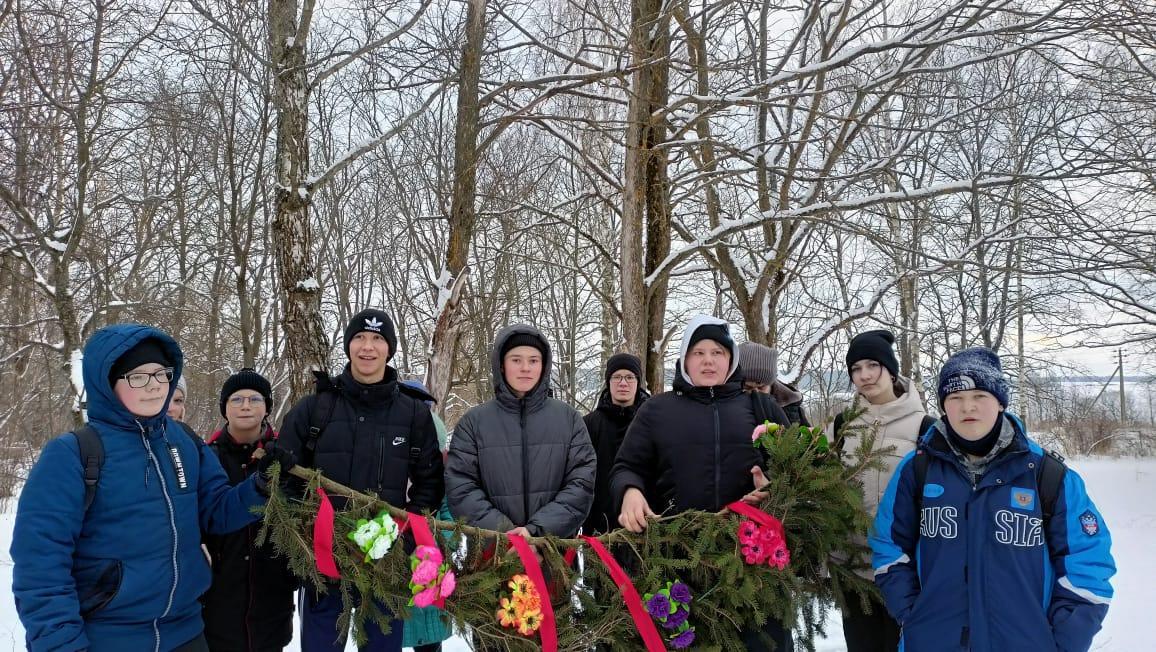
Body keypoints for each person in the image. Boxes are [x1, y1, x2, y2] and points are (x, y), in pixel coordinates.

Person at [11, 324, 294, 652]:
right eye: (138, 377)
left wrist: (261, 485)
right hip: (109, 637)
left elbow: (217, 511)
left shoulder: (184, 441)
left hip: (187, 633)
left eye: (161, 375)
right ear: (107, 382)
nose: (154, 387)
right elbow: (40, 565)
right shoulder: (72, 454)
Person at [871, 347, 1116, 652]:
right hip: (933, 640)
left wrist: (1062, 639)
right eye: (955, 398)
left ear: (1000, 402)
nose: (967, 407)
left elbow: (1088, 561)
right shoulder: (917, 470)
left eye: (980, 396)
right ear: (944, 406)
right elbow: (888, 546)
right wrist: (913, 614)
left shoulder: (1047, 476)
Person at [610, 315, 793, 651]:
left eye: (717, 352)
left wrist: (775, 484)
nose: (708, 360)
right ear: (684, 360)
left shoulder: (760, 407)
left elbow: (797, 470)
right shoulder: (656, 410)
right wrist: (630, 492)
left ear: (732, 360)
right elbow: (626, 466)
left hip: (752, 568)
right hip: (679, 566)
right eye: (698, 352)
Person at [278, 308, 445, 652]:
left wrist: (403, 539)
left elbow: (430, 484)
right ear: (348, 345)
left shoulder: (413, 414)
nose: (367, 347)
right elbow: (286, 478)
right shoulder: (315, 408)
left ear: (389, 349)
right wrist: (306, 536)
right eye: (359, 338)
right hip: (324, 561)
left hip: (386, 563)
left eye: (377, 339)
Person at [825, 330, 928, 652]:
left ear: (891, 369)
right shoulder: (843, 424)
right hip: (851, 567)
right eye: (856, 368)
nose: (865, 375)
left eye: (873, 365)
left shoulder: (925, 428)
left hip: (904, 569)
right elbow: (821, 484)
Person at [445, 324, 596, 539]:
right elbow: (461, 486)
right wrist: (507, 535)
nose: (525, 368)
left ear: (543, 366)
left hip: (553, 552)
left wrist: (537, 532)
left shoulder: (569, 419)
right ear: (502, 365)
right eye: (516, 360)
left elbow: (581, 483)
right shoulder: (474, 423)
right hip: (493, 554)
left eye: (533, 360)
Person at [201, 368, 298, 652]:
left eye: (255, 399)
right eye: (237, 399)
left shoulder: (286, 457)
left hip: (271, 600)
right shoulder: (206, 457)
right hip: (219, 601)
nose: (245, 406)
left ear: (267, 407)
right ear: (224, 408)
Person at [398, 379, 452, 652]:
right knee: (389, 632)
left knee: (428, 639)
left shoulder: (435, 430)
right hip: (390, 565)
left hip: (431, 565)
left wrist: (439, 543)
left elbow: (448, 513)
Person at [582, 352, 650, 536]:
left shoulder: (652, 423)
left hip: (644, 523)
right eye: (617, 377)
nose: (623, 383)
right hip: (599, 528)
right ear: (608, 381)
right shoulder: (588, 424)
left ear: (638, 382)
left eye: (629, 377)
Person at [737, 341, 810, 426]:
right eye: (747, 387)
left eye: (761, 388)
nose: (755, 393)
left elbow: (810, 437)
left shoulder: (792, 409)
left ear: (771, 385)